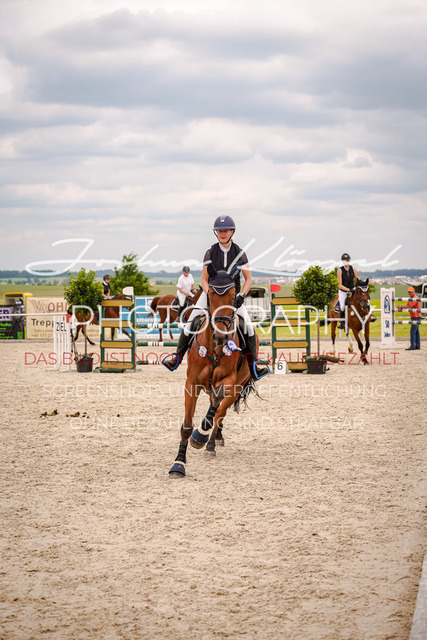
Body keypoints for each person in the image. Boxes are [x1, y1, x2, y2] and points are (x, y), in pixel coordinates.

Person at [162, 216, 270, 379]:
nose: (222, 233)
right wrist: (209, 294)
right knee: (190, 322)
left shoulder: (239, 253)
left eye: (225, 230)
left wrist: (241, 295)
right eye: (219, 231)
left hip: (232, 298)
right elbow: (204, 279)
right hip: (211, 294)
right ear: (216, 233)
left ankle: (253, 366)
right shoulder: (210, 252)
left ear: (232, 232)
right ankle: (177, 357)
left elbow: (248, 279)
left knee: (248, 327)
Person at [337, 253, 376, 327]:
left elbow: (357, 280)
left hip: (352, 290)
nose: (347, 261)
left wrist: (363, 284)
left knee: (366, 302)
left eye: (348, 260)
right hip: (343, 292)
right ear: (343, 261)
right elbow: (340, 285)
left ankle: (370, 316)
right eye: (345, 260)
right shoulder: (340, 270)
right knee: (342, 307)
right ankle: (341, 322)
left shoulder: (353, 269)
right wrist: (349, 289)